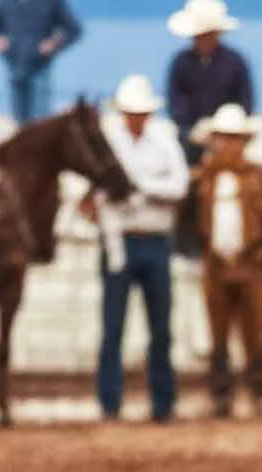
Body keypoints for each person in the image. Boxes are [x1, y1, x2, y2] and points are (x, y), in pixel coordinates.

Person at [91, 74, 190, 423]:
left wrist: (140, 187)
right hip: (119, 239)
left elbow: (180, 186)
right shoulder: (110, 144)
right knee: (113, 326)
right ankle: (110, 402)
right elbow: (101, 192)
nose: (137, 118)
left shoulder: (163, 142)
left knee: (160, 328)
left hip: (154, 240)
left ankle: (163, 403)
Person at [189, 103, 262, 417]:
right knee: (218, 335)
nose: (228, 144)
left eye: (234, 138)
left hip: (251, 264)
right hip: (215, 264)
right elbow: (187, 219)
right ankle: (221, 393)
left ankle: (260, 391)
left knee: (256, 333)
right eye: (224, 138)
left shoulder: (258, 178)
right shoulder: (202, 179)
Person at [165, 0, 254, 166]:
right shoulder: (181, 63)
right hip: (191, 137)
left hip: (229, 131)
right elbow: (176, 102)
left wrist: (223, 128)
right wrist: (193, 130)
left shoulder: (235, 62)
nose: (204, 39)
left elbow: (245, 100)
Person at [0, 0, 82, 125]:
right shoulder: (7, 2)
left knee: (39, 120)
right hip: (15, 64)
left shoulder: (51, 3)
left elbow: (74, 30)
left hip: (39, 67)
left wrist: (54, 44)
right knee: (19, 122)